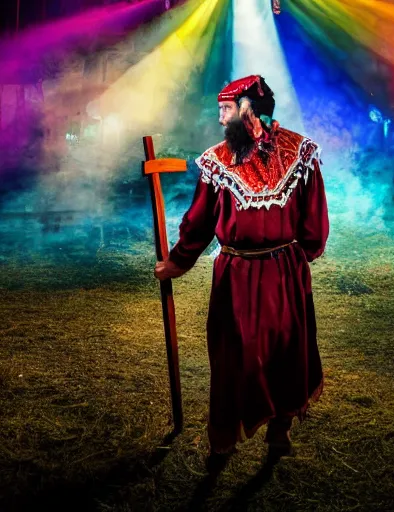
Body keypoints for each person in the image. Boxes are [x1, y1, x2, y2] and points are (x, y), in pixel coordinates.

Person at [154, 75, 329, 464]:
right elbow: (199, 223)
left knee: (287, 351)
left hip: (285, 274)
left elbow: (314, 219)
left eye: (226, 110)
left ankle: (279, 432)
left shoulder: (300, 152)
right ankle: (224, 437)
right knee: (235, 356)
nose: (221, 121)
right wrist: (178, 261)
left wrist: (297, 258)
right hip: (237, 276)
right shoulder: (218, 161)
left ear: (248, 109)